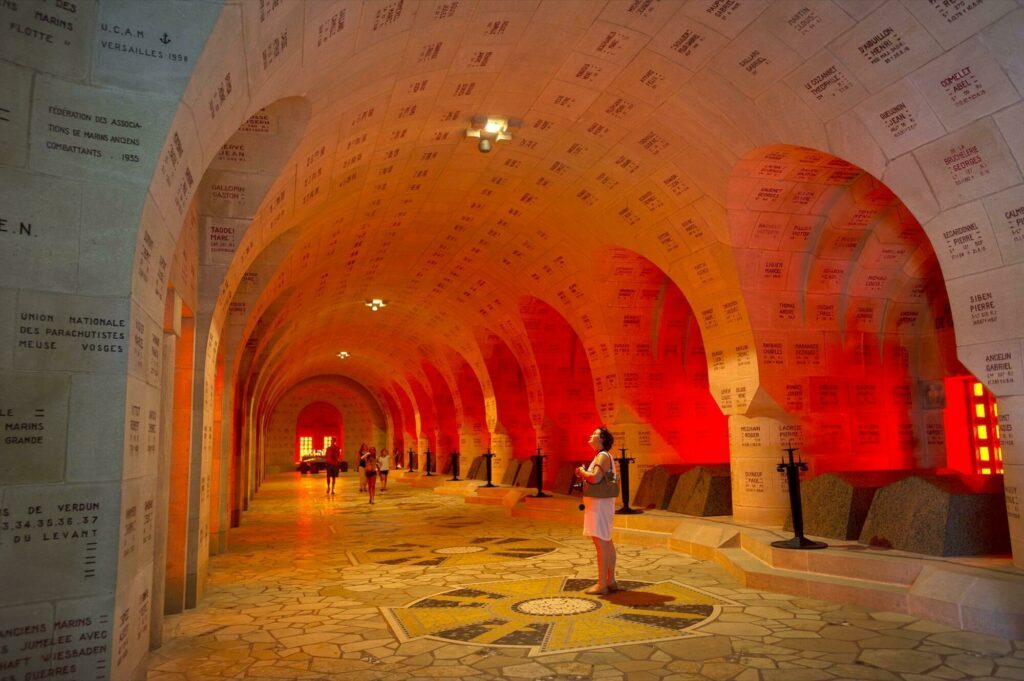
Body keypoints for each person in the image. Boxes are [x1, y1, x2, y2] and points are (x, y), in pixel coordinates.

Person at [575, 426, 618, 595]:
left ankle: (602, 583)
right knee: (606, 541)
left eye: (595, 434)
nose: (591, 435)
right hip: (603, 503)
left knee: (600, 542)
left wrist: (582, 472)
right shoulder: (604, 456)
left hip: (599, 504)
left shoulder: (602, 456)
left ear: (602, 439)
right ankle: (610, 580)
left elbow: (595, 477)